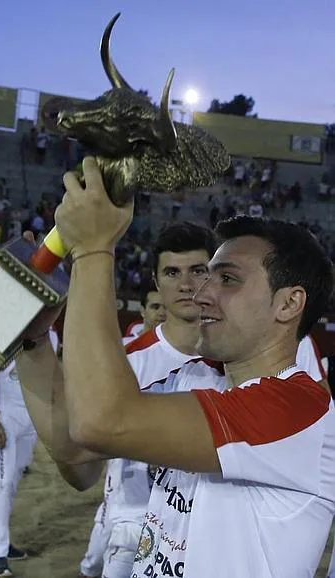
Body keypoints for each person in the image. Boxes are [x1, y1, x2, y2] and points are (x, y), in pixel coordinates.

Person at [50, 158, 335, 577]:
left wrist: (93, 249)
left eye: (228, 279)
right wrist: (32, 341)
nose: (201, 294)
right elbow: (77, 449)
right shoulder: (196, 376)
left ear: (289, 304)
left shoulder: (298, 408)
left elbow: (101, 421)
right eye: (209, 277)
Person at [79, 222, 215, 578]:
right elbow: (80, 460)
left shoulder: (240, 360)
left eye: (198, 271)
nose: (185, 284)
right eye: (172, 273)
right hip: (135, 528)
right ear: (156, 282)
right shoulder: (125, 362)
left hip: (212, 532)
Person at [0, 327, 59, 578]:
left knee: (13, 478)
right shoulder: (6, 326)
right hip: (3, 414)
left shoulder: (51, 334)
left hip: (29, 416)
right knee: (2, 481)